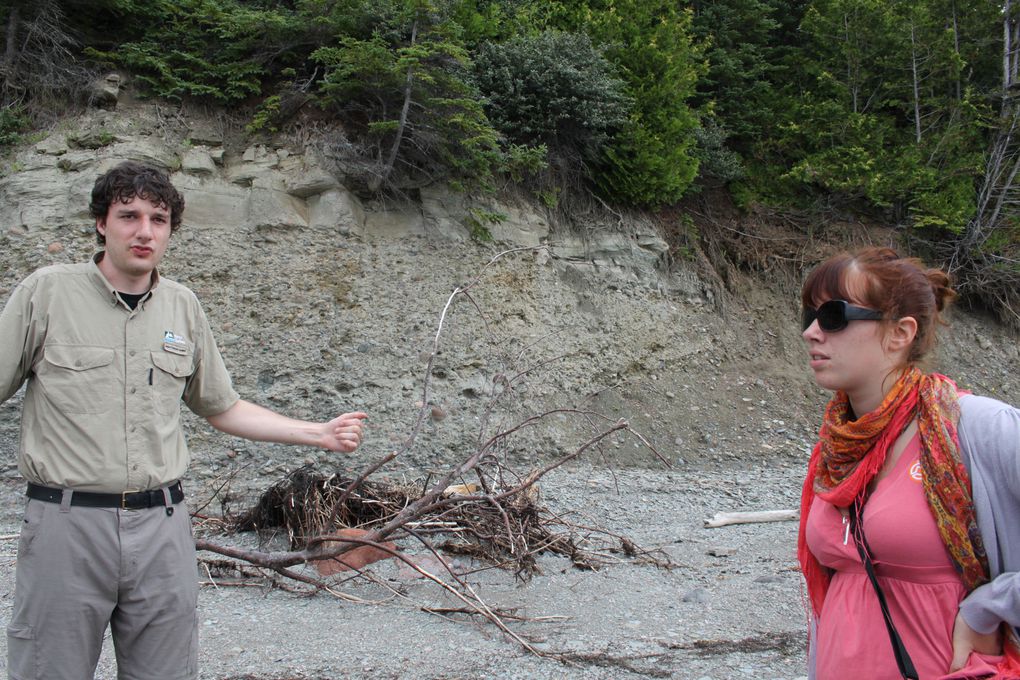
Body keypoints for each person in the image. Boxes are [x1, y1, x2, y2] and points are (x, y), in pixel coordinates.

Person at [0, 160, 368, 680]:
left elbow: (222, 406)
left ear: (171, 228)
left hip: (162, 529)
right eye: (128, 215)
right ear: (101, 223)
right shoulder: (46, 293)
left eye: (159, 218)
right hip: (67, 527)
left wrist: (319, 433)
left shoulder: (183, 307)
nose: (144, 231)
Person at [796, 246, 1020, 679]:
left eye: (833, 317)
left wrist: (991, 608)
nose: (811, 332)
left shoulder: (978, 428)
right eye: (808, 316)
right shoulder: (839, 447)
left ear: (900, 334)